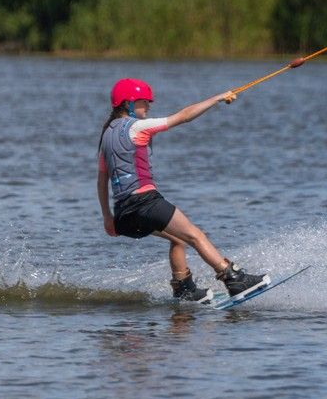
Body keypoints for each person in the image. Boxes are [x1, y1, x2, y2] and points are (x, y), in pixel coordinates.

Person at [97, 78, 267, 302]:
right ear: (128, 103)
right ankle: (234, 279)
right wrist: (217, 98)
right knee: (196, 236)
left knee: (179, 239)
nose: (148, 105)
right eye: (144, 101)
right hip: (146, 202)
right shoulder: (136, 127)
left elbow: (102, 180)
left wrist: (108, 217)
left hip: (124, 213)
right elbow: (183, 117)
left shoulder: (106, 135)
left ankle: (183, 289)